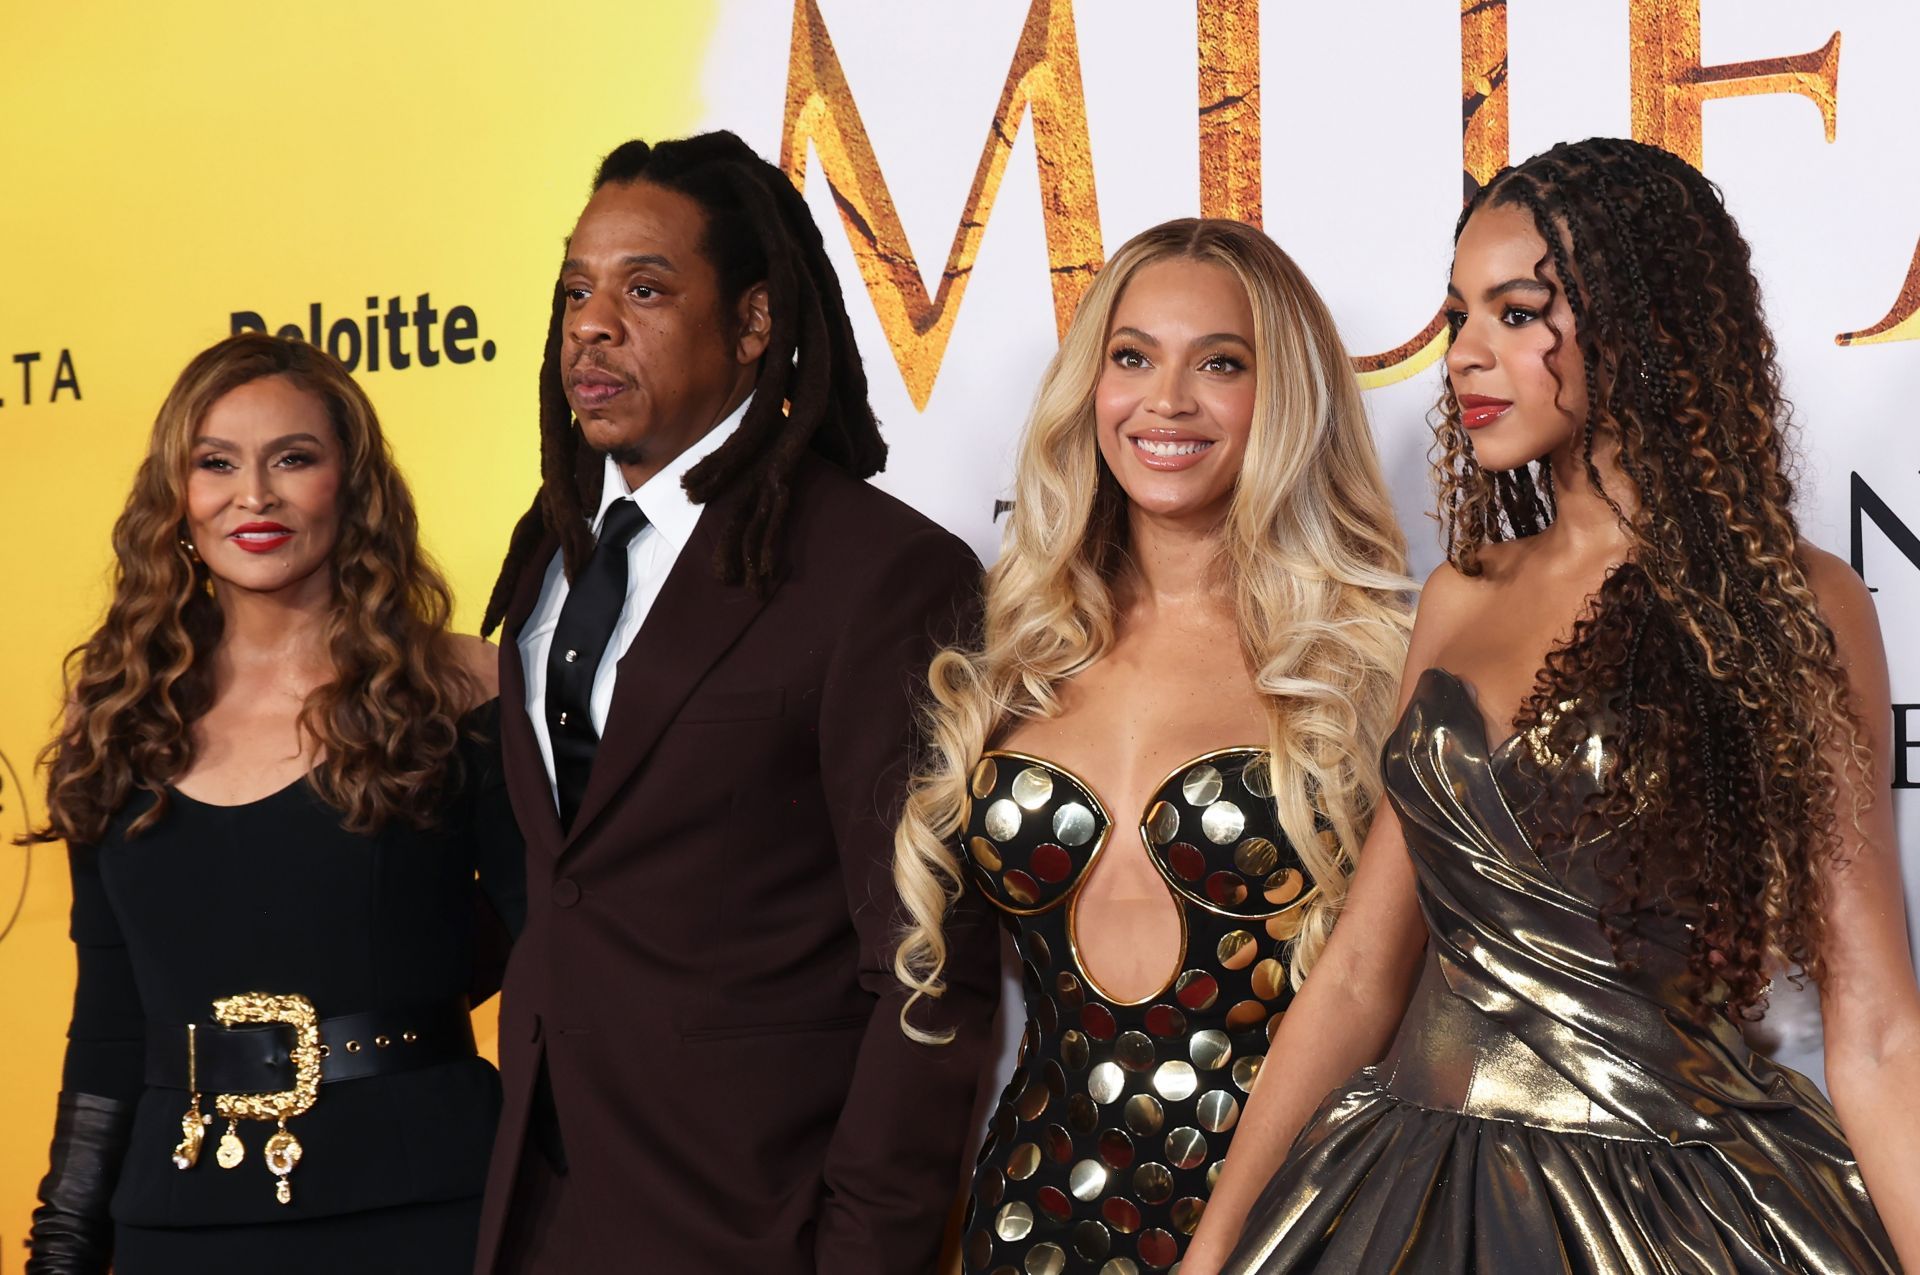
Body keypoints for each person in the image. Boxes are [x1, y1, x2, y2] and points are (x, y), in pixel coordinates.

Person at [1180, 137, 1920, 1274]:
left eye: (1517, 313)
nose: (1466, 355)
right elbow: (1365, 974)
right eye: (1459, 314)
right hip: (1406, 1201)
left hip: (1680, 1218)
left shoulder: (1795, 603)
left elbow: (1874, 1026)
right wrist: (1214, 1249)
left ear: (1645, 323)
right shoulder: (1460, 596)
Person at [473, 130, 1000, 1274]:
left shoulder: (878, 572)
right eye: (576, 290)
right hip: (545, 1210)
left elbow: (926, 968)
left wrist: (862, 1257)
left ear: (756, 323)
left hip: (756, 1224)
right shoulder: (551, 552)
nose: (591, 325)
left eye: (645, 289)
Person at [891, 218, 1413, 1275]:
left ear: (1286, 398)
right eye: (1132, 357)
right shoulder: (1019, 654)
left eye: (1220, 363)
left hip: (1304, 1227)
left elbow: (1391, 991)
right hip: (1035, 1218)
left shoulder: (1368, 670)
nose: (1165, 400)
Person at [24, 333, 521, 1275]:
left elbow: (559, 964)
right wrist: (62, 1248)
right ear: (178, 497)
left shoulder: (461, 691)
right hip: (181, 1218)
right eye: (216, 463)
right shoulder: (122, 714)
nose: (253, 495)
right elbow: (111, 1026)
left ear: (354, 484)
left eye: (293, 458)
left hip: (428, 1207)